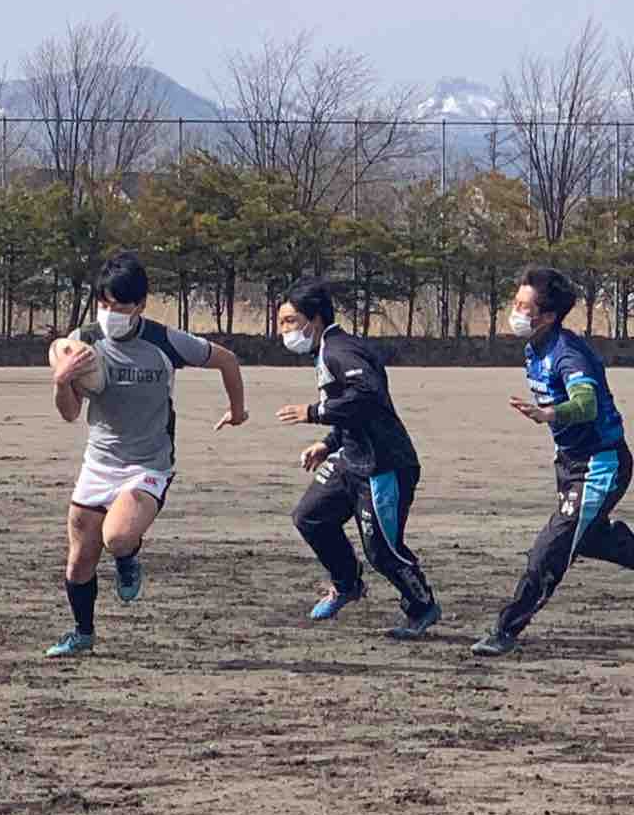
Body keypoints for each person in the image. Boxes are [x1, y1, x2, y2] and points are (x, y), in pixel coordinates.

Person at [46, 251, 248, 657]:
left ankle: (128, 556)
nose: (110, 314)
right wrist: (61, 381)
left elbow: (226, 360)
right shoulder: (83, 342)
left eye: (120, 306)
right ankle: (82, 634)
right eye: (104, 304)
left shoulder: (164, 341)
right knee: (78, 562)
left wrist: (237, 410)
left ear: (140, 304)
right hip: (99, 462)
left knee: (117, 537)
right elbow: (69, 414)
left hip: (148, 464)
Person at [472, 266, 634, 656]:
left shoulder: (567, 353)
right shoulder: (535, 348)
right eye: (515, 303)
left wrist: (549, 414)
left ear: (546, 316)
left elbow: (586, 403)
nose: (514, 312)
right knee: (591, 538)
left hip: (600, 464)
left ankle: (505, 630)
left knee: (551, 549)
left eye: (523, 307)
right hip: (570, 463)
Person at [277, 278, 441, 639]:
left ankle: (422, 606)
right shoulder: (326, 350)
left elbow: (368, 396)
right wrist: (328, 443)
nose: (283, 330)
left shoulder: (339, 351)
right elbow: (353, 411)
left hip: (384, 466)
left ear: (314, 319)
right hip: (351, 458)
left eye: (290, 321)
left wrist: (313, 412)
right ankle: (347, 584)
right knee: (311, 517)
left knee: (381, 550)